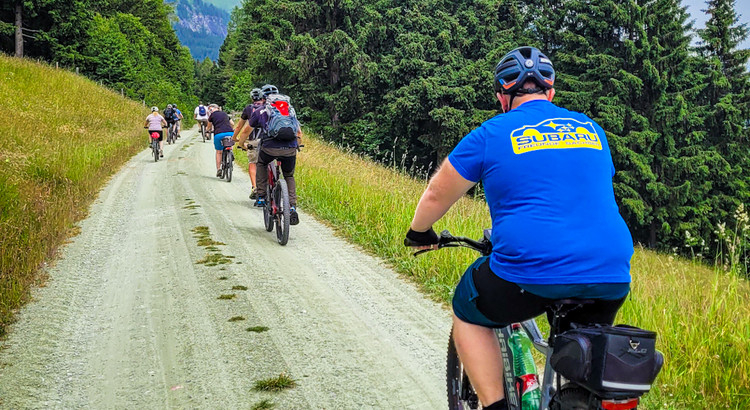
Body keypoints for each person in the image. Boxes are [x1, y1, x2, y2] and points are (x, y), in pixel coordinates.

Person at [404, 46, 633, 410]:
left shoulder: (492, 133)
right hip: (611, 272)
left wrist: (419, 233)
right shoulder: (592, 130)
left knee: (467, 308)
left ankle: (497, 406)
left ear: (501, 97)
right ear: (551, 93)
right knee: (581, 355)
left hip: (530, 269)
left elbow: (435, 194)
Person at [240, 84, 301, 225]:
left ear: (264, 98)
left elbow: (246, 130)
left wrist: (240, 143)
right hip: (290, 148)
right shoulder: (289, 111)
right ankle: (291, 207)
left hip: (269, 148)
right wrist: (298, 144)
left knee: (261, 163)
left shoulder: (261, 110)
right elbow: (298, 133)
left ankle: (261, 195)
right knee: (289, 175)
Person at [232, 88, 265, 199]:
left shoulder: (249, 109)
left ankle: (255, 187)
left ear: (252, 98)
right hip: (270, 141)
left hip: (254, 141)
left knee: (253, 163)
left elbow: (239, 126)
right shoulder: (269, 108)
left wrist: (235, 138)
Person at [207, 104, 235, 177]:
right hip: (230, 132)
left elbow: (209, 126)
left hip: (219, 134)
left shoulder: (212, 116)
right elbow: (232, 123)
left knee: (219, 152)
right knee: (229, 144)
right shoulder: (225, 113)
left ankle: (219, 169)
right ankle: (230, 153)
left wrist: (207, 131)